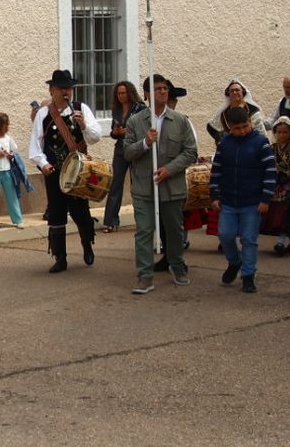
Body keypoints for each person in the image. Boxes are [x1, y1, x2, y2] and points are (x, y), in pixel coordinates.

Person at [122, 75, 198, 294]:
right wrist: (145, 142)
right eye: (157, 89)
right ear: (146, 94)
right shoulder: (136, 122)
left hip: (172, 188)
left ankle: (177, 265)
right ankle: (145, 275)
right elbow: (127, 152)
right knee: (144, 231)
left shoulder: (180, 120)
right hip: (144, 188)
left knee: (174, 230)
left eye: (165, 88)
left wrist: (170, 169)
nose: (163, 92)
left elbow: (190, 152)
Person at [28, 70, 101, 273]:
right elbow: (35, 146)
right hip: (55, 172)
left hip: (78, 172)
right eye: (61, 88)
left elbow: (95, 137)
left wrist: (84, 125)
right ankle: (60, 258)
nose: (65, 92)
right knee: (56, 214)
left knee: (81, 214)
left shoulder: (81, 109)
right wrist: (43, 164)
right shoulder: (43, 114)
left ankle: (87, 245)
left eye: (68, 88)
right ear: (52, 90)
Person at [208, 106, 277, 293]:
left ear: (250, 122)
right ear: (229, 127)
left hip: (253, 203)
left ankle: (248, 275)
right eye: (237, 128)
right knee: (225, 235)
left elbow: (270, 171)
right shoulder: (224, 144)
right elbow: (216, 171)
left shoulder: (261, 142)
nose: (242, 131)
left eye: (245, 126)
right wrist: (214, 195)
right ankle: (234, 262)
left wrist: (266, 198)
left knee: (249, 239)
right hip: (228, 202)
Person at [101, 81, 144, 233]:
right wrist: (116, 132)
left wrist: (130, 132)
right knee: (115, 185)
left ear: (130, 93)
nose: (120, 96)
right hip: (120, 149)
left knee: (137, 185)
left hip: (135, 149)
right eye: (118, 93)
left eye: (123, 93)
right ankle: (110, 220)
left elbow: (144, 129)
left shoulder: (139, 108)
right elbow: (113, 132)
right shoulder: (117, 110)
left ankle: (142, 220)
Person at [267, 116, 290, 256]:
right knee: (280, 213)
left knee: (289, 213)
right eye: (279, 132)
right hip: (276, 185)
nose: (282, 135)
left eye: (285, 132)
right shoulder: (271, 148)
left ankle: (281, 242)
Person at [205, 78, 266, 143]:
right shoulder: (224, 113)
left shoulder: (252, 110)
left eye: (237, 90)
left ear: (243, 92)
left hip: (251, 144)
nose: (234, 92)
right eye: (232, 91)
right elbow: (211, 127)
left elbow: (261, 132)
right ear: (229, 94)